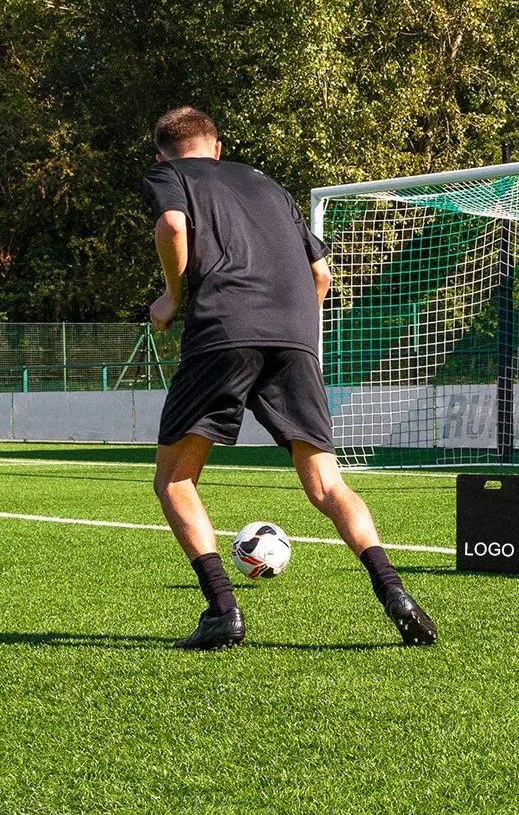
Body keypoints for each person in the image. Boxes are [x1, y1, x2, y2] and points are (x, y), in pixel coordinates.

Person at [142, 106, 437, 650]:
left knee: (175, 480)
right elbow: (321, 274)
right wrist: (296, 332)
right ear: (217, 145)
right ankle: (395, 593)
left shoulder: (169, 175)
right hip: (295, 337)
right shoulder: (267, 184)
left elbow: (173, 225)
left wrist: (174, 296)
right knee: (328, 483)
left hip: (224, 330)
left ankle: (222, 611)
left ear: (163, 152)